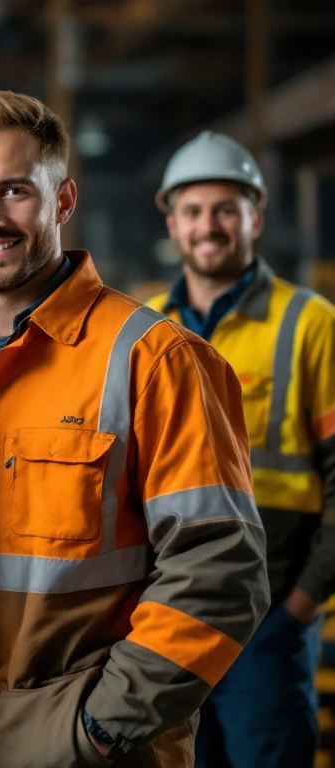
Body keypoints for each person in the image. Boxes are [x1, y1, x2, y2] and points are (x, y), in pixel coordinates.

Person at [0, 91, 270, 767]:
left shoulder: (156, 360)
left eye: (13, 192)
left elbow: (221, 571)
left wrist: (98, 731)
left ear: (62, 201)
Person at [146, 130, 335, 768]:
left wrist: (300, 606)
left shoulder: (309, 323)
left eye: (226, 209)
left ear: (256, 216)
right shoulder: (141, 328)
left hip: (269, 624)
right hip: (166, 622)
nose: (209, 226)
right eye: (194, 211)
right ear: (171, 222)